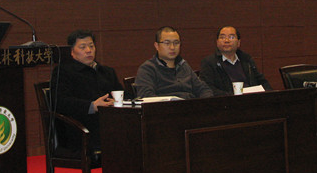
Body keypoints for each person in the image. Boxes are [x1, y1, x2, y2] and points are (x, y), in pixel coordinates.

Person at [51, 29, 123, 157]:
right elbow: (60, 101)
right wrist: (92, 106)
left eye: (91, 46)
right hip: (81, 128)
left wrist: (117, 101)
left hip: (109, 123)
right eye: (82, 47)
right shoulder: (63, 72)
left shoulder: (107, 72)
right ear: (72, 51)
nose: (89, 50)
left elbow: (123, 94)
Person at [135, 26, 213, 99]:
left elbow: (203, 89)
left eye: (176, 43)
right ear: (157, 46)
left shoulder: (183, 65)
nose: (172, 47)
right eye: (167, 43)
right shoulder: (148, 69)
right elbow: (147, 97)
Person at [199, 26, 272, 96]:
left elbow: (262, 81)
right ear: (217, 42)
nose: (226, 41)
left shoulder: (246, 59)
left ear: (238, 42)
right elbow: (208, 88)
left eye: (231, 37)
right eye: (222, 37)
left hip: (251, 99)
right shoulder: (209, 62)